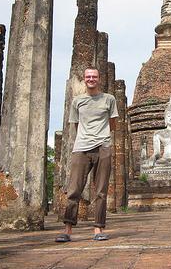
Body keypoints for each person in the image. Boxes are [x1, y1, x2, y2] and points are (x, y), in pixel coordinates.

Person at [55, 67, 118, 242]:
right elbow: (75, 125)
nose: (91, 79)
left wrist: (100, 136)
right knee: (74, 189)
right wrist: (87, 137)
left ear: (99, 79)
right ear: (84, 79)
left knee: (101, 191)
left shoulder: (109, 99)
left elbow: (113, 123)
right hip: (81, 148)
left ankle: (98, 229)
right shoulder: (77, 101)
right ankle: (67, 229)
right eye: (88, 76)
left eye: (94, 76)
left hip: (103, 147)